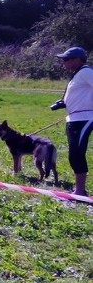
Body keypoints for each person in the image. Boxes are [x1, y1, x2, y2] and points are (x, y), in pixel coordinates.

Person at [51, 46, 93, 196]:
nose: (64, 62)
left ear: (77, 60)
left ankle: (80, 192)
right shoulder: (78, 74)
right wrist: (64, 102)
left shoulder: (86, 72)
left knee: (76, 153)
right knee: (74, 153)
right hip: (75, 118)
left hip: (84, 118)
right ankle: (79, 190)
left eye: (66, 59)